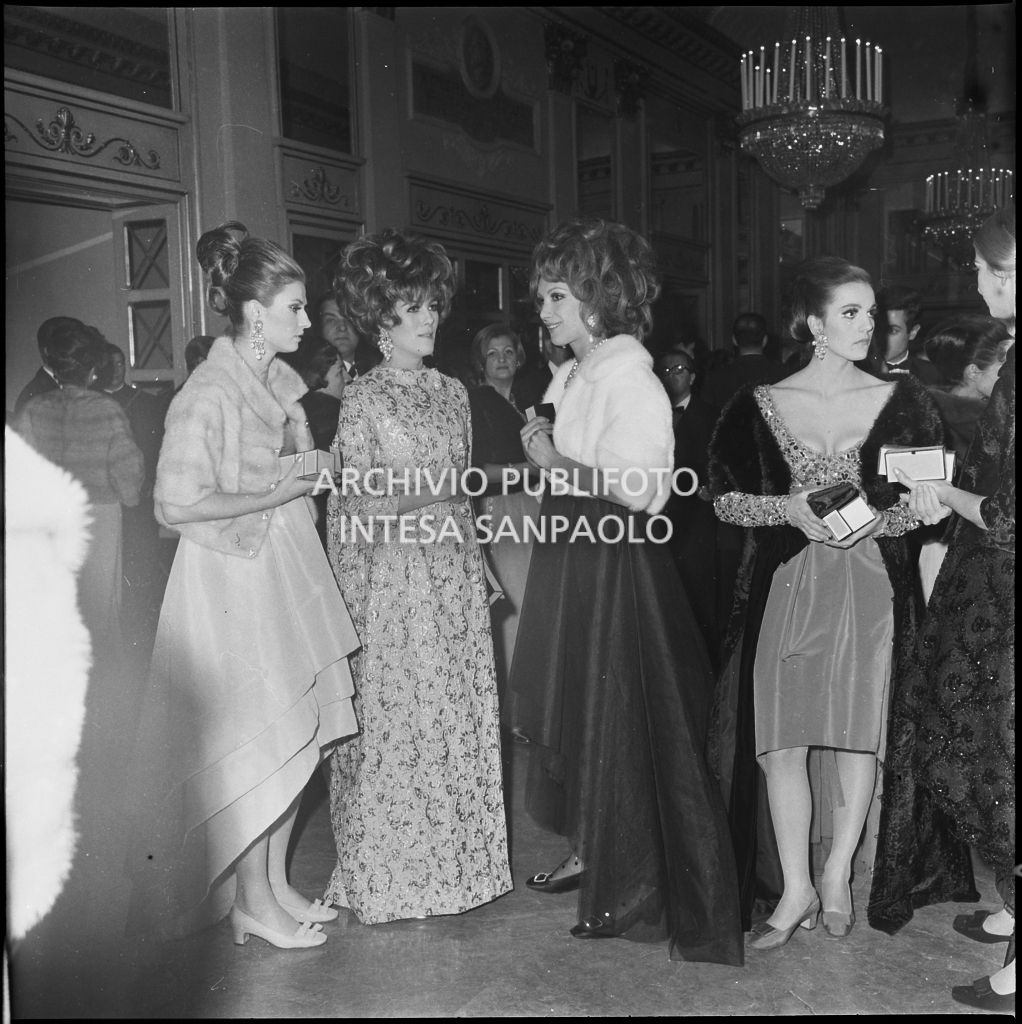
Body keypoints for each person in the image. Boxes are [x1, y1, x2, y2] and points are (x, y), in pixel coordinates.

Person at [707, 255, 977, 951]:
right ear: (813, 322)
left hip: (870, 586)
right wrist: (788, 510)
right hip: (789, 586)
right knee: (779, 744)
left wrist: (912, 511)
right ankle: (793, 887)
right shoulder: (758, 401)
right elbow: (723, 498)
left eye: (872, 311)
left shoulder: (908, 401)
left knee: (862, 737)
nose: (871, 324)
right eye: (852, 312)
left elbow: (930, 506)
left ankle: (834, 875)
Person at [509, 218, 742, 965]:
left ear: (598, 299)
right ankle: (592, 852)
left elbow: (638, 491)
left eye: (555, 296)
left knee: (618, 723)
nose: (542, 311)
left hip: (614, 565)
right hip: (575, 557)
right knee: (581, 712)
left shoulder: (629, 378)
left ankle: (629, 880)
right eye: (542, 296)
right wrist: (545, 455)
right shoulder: (576, 372)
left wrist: (552, 458)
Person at [127, 221, 359, 949]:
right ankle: (252, 902)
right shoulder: (208, 393)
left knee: (300, 730)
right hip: (233, 577)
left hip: (282, 561)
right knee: (262, 733)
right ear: (256, 314)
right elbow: (176, 503)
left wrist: (302, 470)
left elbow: (282, 469)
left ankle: (274, 886)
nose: (307, 319)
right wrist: (286, 481)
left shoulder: (274, 381)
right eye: (295, 306)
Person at [324, 228, 512, 924]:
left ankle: (459, 869)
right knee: (403, 722)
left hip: (453, 573)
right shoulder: (363, 400)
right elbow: (355, 505)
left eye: (433, 302)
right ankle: (397, 875)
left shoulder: (454, 392)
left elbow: (464, 495)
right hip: (396, 583)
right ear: (380, 319)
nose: (431, 316)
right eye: (413, 306)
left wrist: (483, 560)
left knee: (456, 716)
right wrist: (433, 488)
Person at [895, 203, 1015, 1013]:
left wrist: (948, 495)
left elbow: (1011, 514)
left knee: (998, 758)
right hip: (991, 593)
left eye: (994, 271)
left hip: (1004, 596)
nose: (978, 283)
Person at [16, 321, 145, 652]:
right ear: (92, 371)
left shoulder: (34, 410)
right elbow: (128, 478)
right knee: (101, 614)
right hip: (98, 521)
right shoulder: (106, 410)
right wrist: (130, 496)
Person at [466, 322, 538, 736]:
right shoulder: (477, 402)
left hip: (539, 509)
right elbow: (474, 472)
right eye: (493, 354)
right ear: (482, 361)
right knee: (515, 605)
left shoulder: (530, 402)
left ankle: (537, 704)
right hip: (502, 511)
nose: (502, 360)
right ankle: (515, 713)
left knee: (538, 604)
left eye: (508, 352)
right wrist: (530, 469)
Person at [916, 314, 1011, 601]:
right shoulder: (940, 418)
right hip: (951, 546)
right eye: (1003, 366)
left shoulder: (1001, 414)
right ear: (973, 372)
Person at [655, 345, 720, 665]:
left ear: (693, 377)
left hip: (698, 518)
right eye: (665, 371)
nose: (671, 378)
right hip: (660, 515)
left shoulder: (711, 414)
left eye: (679, 371)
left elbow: (722, 461)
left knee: (700, 592)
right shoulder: (650, 412)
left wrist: (713, 486)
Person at [300, 341, 347, 549]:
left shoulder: (302, 411)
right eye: (340, 373)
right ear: (319, 378)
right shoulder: (337, 417)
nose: (349, 379)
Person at [701, 312, 786, 414]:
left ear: (734, 340)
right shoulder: (783, 374)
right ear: (765, 340)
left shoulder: (716, 377)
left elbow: (705, 417)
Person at [13, 315, 85, 415]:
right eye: (68, 346)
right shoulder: (34, 397)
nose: (77, 352)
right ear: (47, 351)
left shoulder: (77, 381)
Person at [872, 285, 943, 384]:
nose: (881, 338)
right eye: (878, 328)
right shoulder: (855, 372)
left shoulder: (932, 375)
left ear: (913, 332)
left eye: (892, 331)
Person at [315, 292, 378, 380]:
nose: (342, 327)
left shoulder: (376, 370)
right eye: (331, 320)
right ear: (319, 326)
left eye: (348, 319)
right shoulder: (313, 379)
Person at [513, 322, 572, 410]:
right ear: (549, 346)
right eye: (563, 346)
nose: (569, 350)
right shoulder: (531, 383)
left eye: (571, 344)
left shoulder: (581, 378)